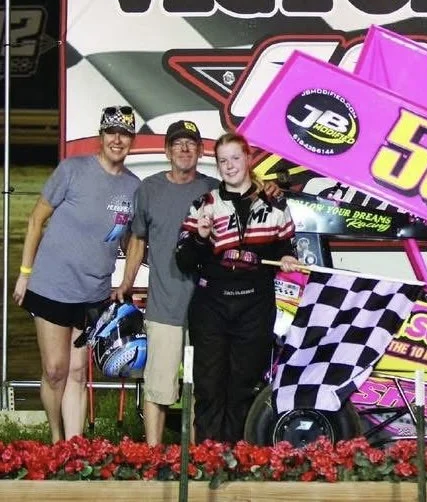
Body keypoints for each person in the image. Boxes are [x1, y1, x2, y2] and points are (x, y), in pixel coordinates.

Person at [13, 105, 141, 442]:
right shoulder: (72, 170)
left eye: (125, 134)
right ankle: (56, 440)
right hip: (52, 286)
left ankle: (74, 448)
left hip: (94, 295)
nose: (118, 139)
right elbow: (36, 220)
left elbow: (133, 241)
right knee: (55, 370)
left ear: (132, 141)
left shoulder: (133, 187)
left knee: (75, 372)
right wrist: (25, 273)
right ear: (101, 136)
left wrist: (125, 284)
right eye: (112, 132)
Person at [175, 132, 301, 443]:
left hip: (255, 307)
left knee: (244, 385)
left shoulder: (275, 205)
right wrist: (202, 237)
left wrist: (287, 258)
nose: (229, 166)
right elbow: (184, 262)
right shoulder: (204, 204)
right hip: (211, 306)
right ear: (216, 166)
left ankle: (240, 459)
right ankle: (208, 457)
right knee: (209, 385)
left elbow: (287, 249)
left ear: (248, 158)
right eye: (222, 160)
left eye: (235, 158)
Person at [113, 120, 218, 445]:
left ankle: (198, 457)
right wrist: (126, 283)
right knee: (158, 386)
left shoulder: (217, 189)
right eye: (178, 144)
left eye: (191, 144)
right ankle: (151, 456)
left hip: (208, 309)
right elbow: (137, 241)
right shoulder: (149, 189)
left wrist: (268, 187)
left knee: (204, 389)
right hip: (164, 306)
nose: (184, 149)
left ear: (201, 151)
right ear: (167, 150)